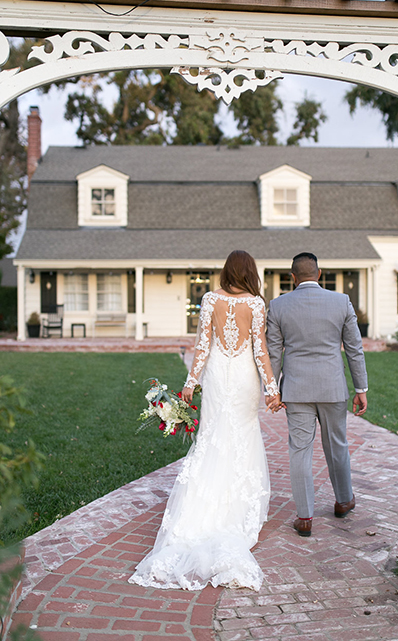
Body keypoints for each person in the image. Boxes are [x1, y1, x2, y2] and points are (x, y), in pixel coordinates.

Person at [129, 250, 281, 591]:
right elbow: (261, 351)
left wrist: (189, 384)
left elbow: (202, 347)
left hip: (215, 376)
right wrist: (271, 389)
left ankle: (200, 509)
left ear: (228, 271)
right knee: (241, 435)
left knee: (212, 436)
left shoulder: (210, 300)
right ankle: (235, 509)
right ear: (250, 273)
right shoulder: (257, 305)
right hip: (244, 378)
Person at [266, 252, 368, 538]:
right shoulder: (341, 302)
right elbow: (354, 349)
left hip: (296, 390)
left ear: (292, 277)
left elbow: (273, 352)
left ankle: (305, 516)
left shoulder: (278, 306)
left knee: (300, 450)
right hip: (332, 388)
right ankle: (344, 500)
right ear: (319, 274)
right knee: (337, 444)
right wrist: (361, 388)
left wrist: (272, 390)